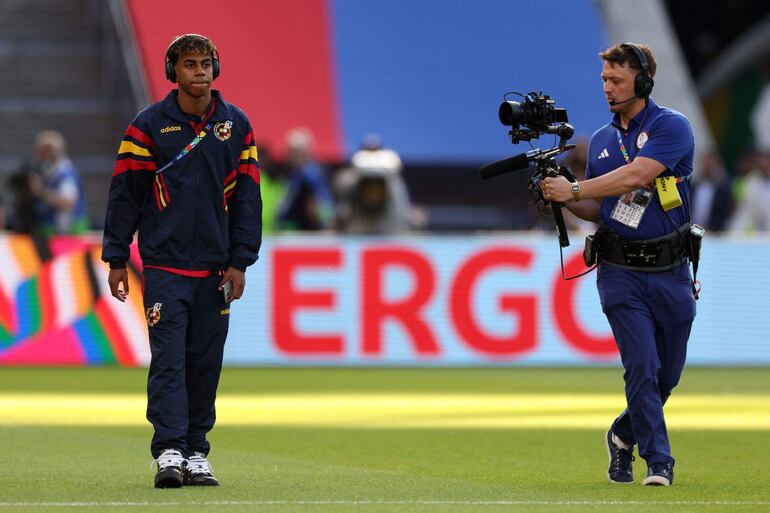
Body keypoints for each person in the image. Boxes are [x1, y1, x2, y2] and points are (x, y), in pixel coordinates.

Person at [101, 34, 262, 488]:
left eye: (206, 63)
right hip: (165, 266)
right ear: (173, 71)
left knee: (205, 362)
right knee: (169, 359)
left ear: (217, 68)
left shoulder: (237, 125)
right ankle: (169, 450)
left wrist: (241, 262)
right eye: (189, 64)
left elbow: (248, 201)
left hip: (215, 269)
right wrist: (116, 256)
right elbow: (125, 195)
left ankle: (196, 451)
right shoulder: (147, 127)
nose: (199, 72)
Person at [542, 43, 696, 487]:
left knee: (668, 374)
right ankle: (659, 462)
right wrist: (562, 196)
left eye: (617, 80)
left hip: (671, 271)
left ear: (643, 81)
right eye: (605, 80)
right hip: (620, 273)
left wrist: (574, 190)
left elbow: (636, 177)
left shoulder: (673, 127)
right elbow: (602, 209)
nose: (608, 88)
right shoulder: (604, 140)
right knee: (642, 366)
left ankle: (622, 434)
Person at [28, 130, 89, 235]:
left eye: (44, 152)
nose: (40, 157)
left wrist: (40, 191)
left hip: (70, 232)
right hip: (54, 230)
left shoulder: (65, 173)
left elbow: (68, 202)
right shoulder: (48, 171)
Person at [275, 128, 334, 230]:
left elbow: (324, 201)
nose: (295, 155)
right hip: (293, 229)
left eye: (299, 151)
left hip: (310, 232)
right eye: (292, 151)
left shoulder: (312, 173)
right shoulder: (291, 174)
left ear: (307, 151)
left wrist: (326, 223)